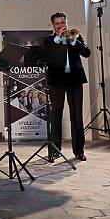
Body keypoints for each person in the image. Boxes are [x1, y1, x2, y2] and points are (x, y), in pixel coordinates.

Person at [27, 12, 91, 161]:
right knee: (55, 116)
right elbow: (45, 55)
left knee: (77, 116)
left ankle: (79, 150)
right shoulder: (49, 40)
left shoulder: (75, 37)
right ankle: (55, 150)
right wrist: (58, 39)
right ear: (53, 26)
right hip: (56, 82)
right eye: (58, 24)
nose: (61, 26)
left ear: (66, 22)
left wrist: (74, 41)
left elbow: (86, 52)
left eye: (63, 22)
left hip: (74, 81)